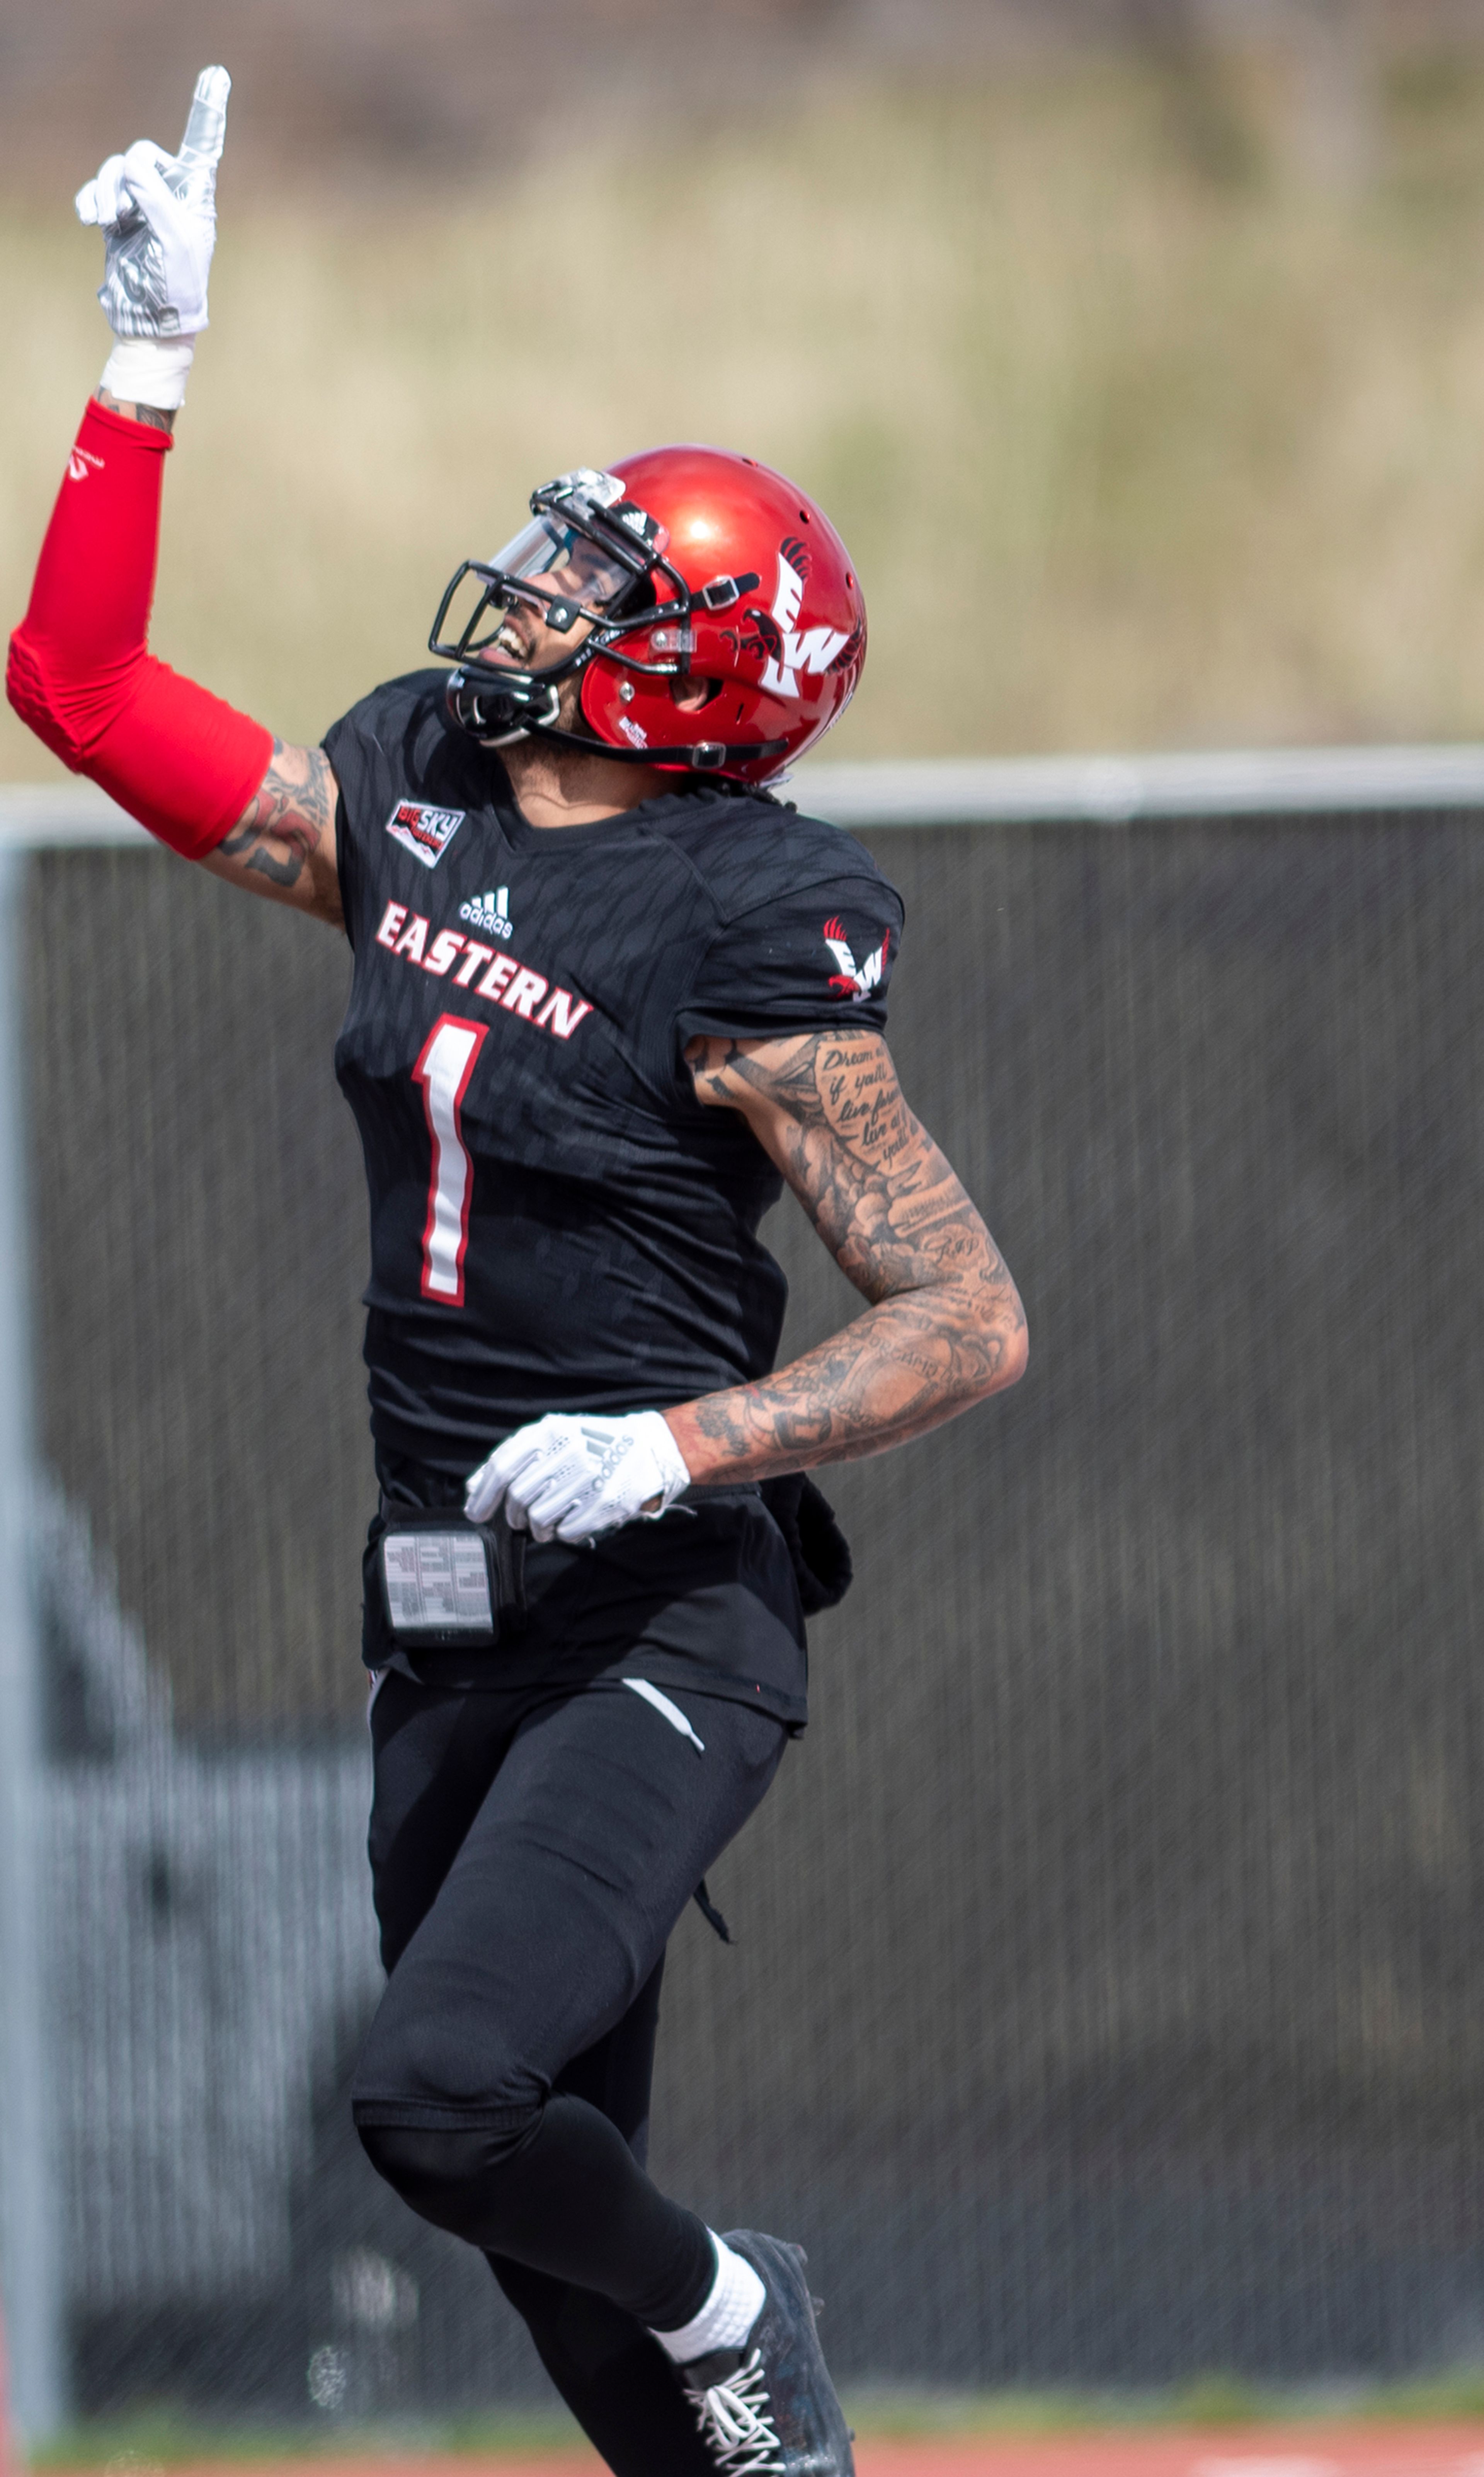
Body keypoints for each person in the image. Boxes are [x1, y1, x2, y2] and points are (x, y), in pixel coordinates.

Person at [8, 69, 1028, 2477]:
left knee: (440, 2091)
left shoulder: (747, 915)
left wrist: (678, 1438)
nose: (535, 592)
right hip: (442, 1609)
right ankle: (714, 2357)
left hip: (659, 1609)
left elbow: (968, 1313)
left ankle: (744, 2294)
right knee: (549, 2250)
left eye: (602, 583)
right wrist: (141, 379)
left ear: (687, 671)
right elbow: (79, 696)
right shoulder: (425, 787)